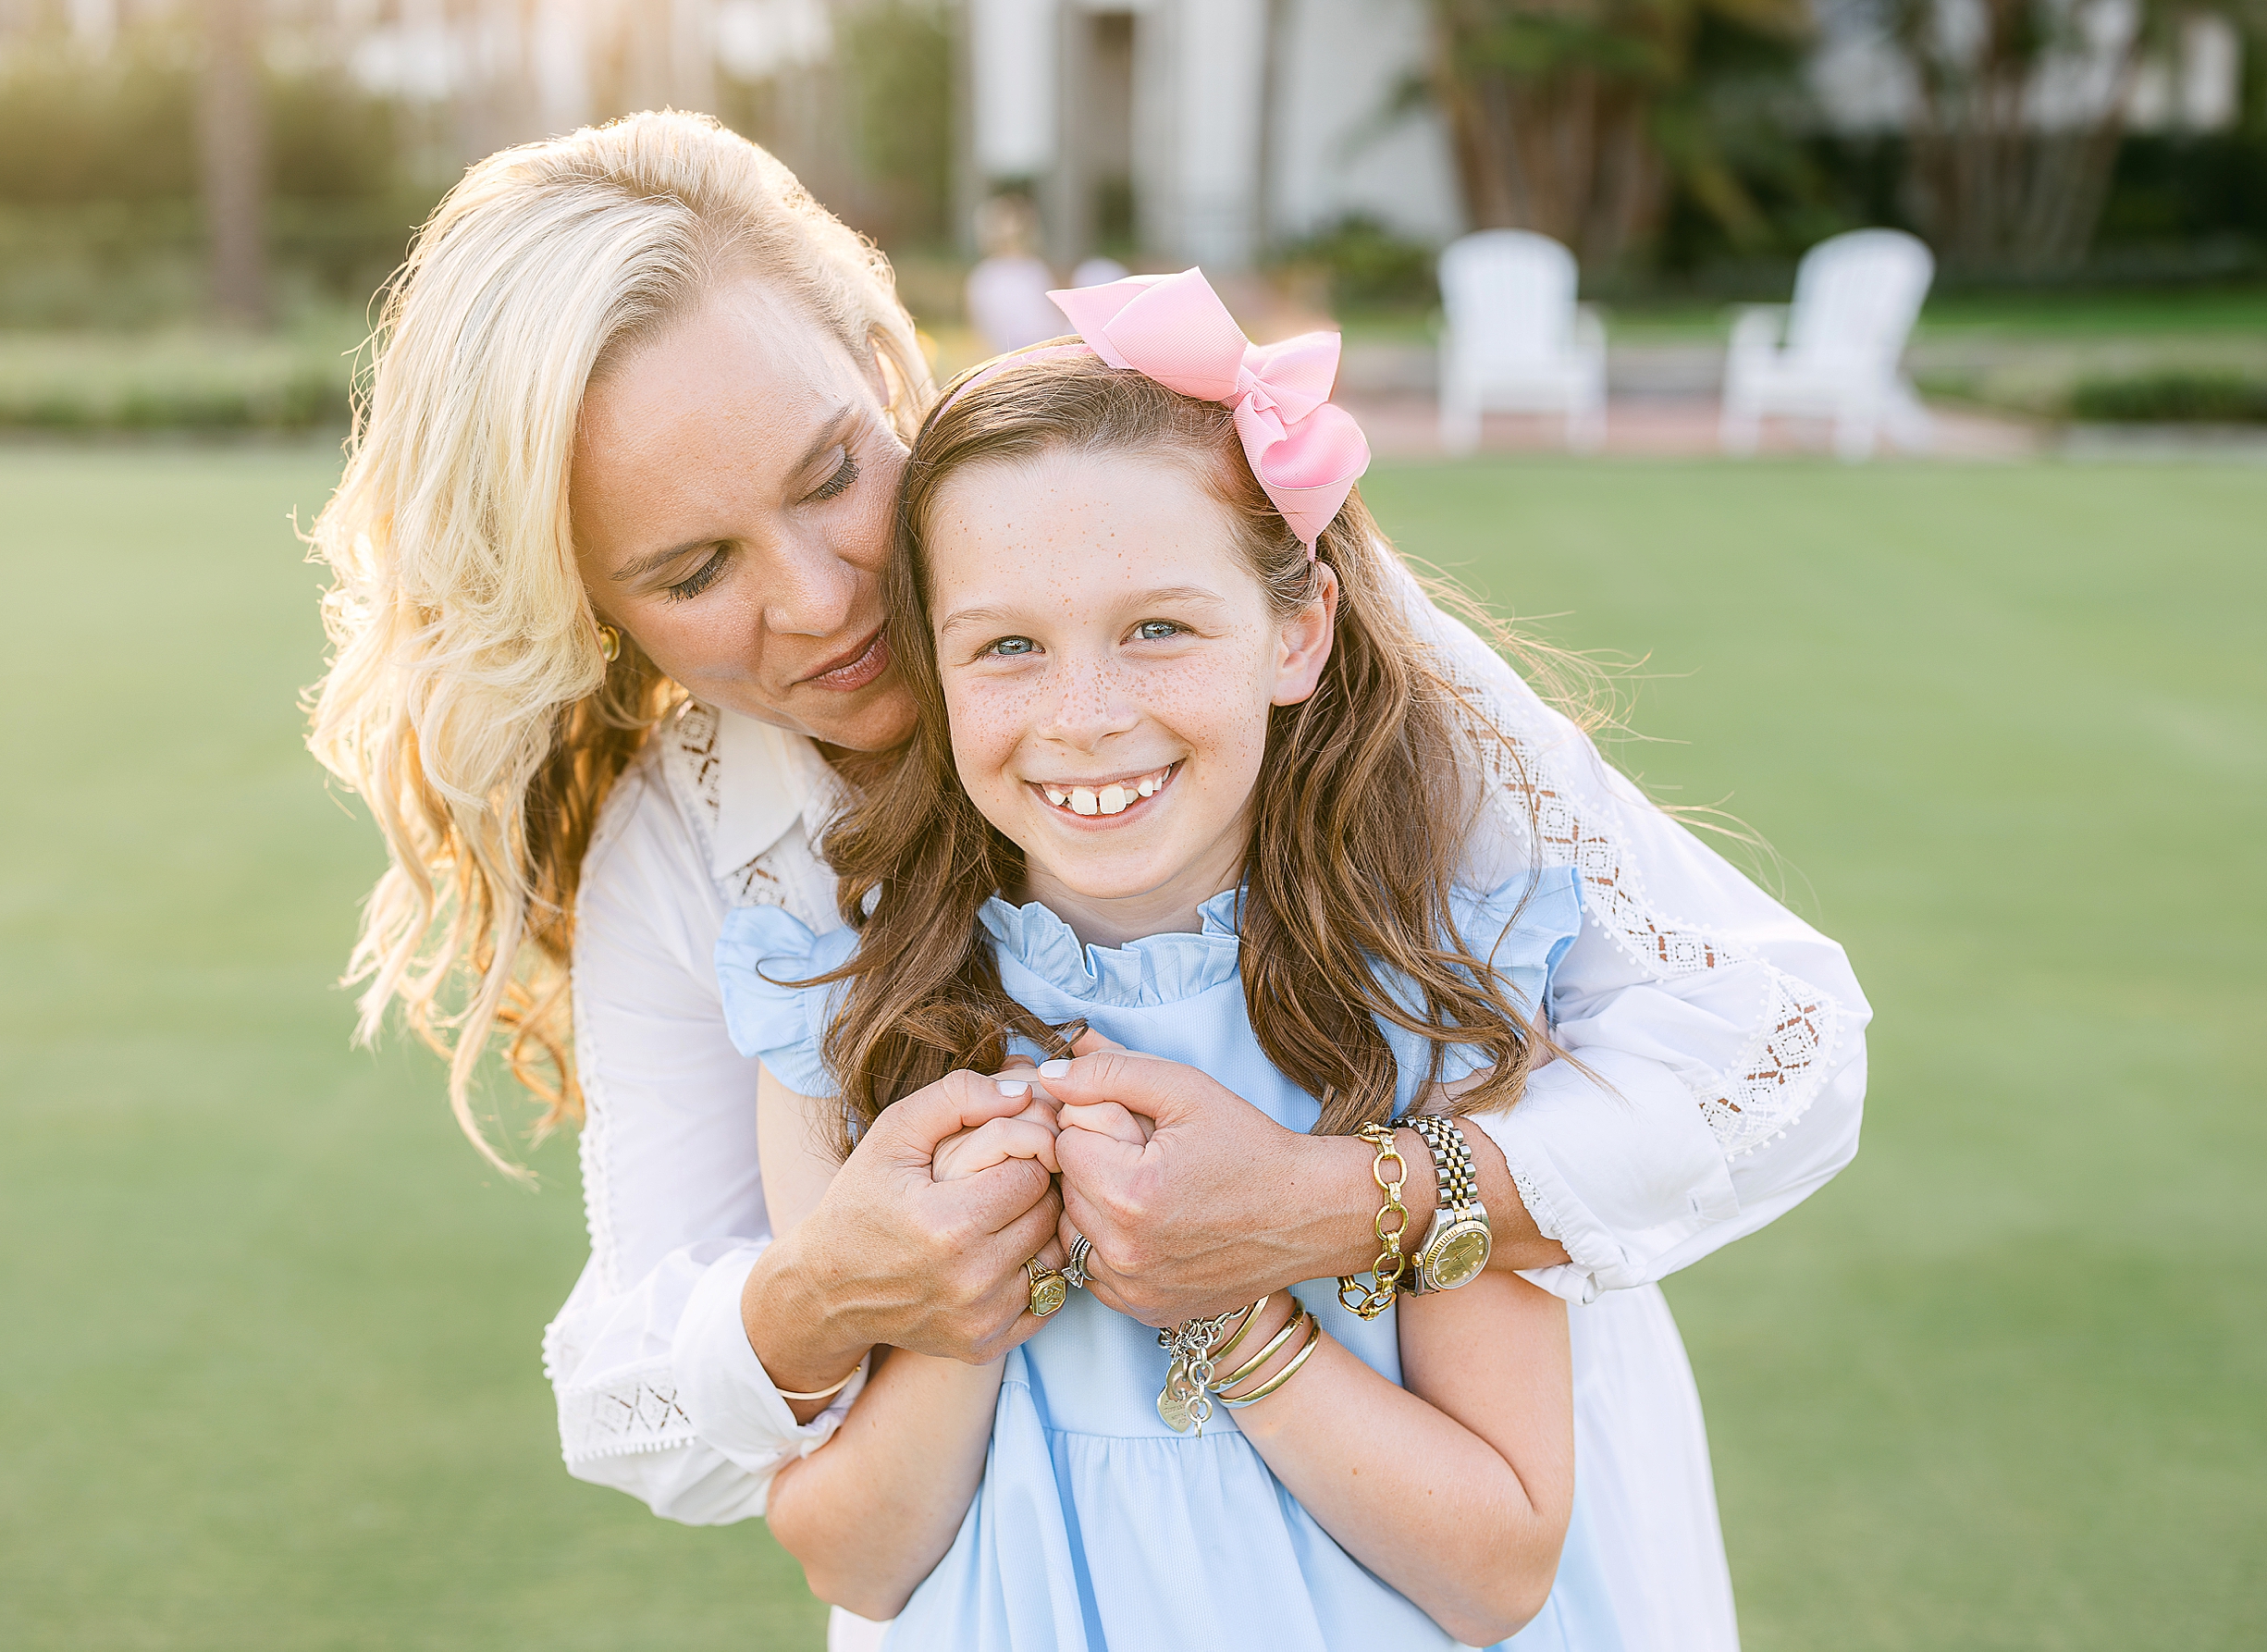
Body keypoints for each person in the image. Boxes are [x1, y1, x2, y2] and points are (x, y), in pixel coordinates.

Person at [305, 112, 1869, 1652]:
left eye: (834, 471)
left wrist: (1315, 1211)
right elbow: (655, 1412)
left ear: (881, 355)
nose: (822, 593)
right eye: (693, 570)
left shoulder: (1284, 654)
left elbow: (1782, 1047)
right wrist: (825, 1290)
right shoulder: (713, 860)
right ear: (592, 609)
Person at [721, 285, 1599, 1648]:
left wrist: (1231, 1300)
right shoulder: (847, 993)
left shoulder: (1433, 984)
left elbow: (1499, 1567)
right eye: (1007, 645)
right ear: (935, 670)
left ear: (1294, 632)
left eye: (1159, 629)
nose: (1085, 716)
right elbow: (854, 1560)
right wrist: (973, 1282)